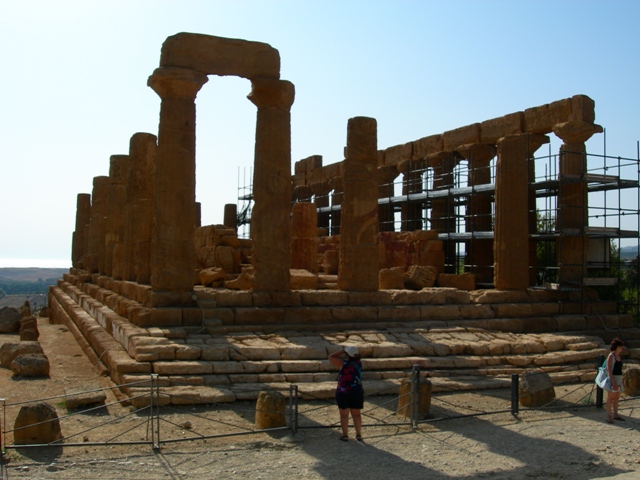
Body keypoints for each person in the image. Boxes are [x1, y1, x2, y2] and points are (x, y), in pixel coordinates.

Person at [328, 346, 364, 441]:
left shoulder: (343, 363)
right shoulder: (359, 363)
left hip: (344, 392)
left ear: (347, 354)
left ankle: (345, 435)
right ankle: (359, 434)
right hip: (357, 391)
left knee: (344, 414)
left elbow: (331, 357)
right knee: (357, 414)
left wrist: (342, 351)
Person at [605, 337, 625, 424]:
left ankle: (616, 414)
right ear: (617, 347)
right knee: (610, 398)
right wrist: (613, 382)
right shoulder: (611, 356)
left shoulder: (618, 356)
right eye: (620, 346)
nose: (621, 348)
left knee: (616, 397)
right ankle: (608, 416)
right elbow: (609, 370)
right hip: (613, 379)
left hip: (619, 379)